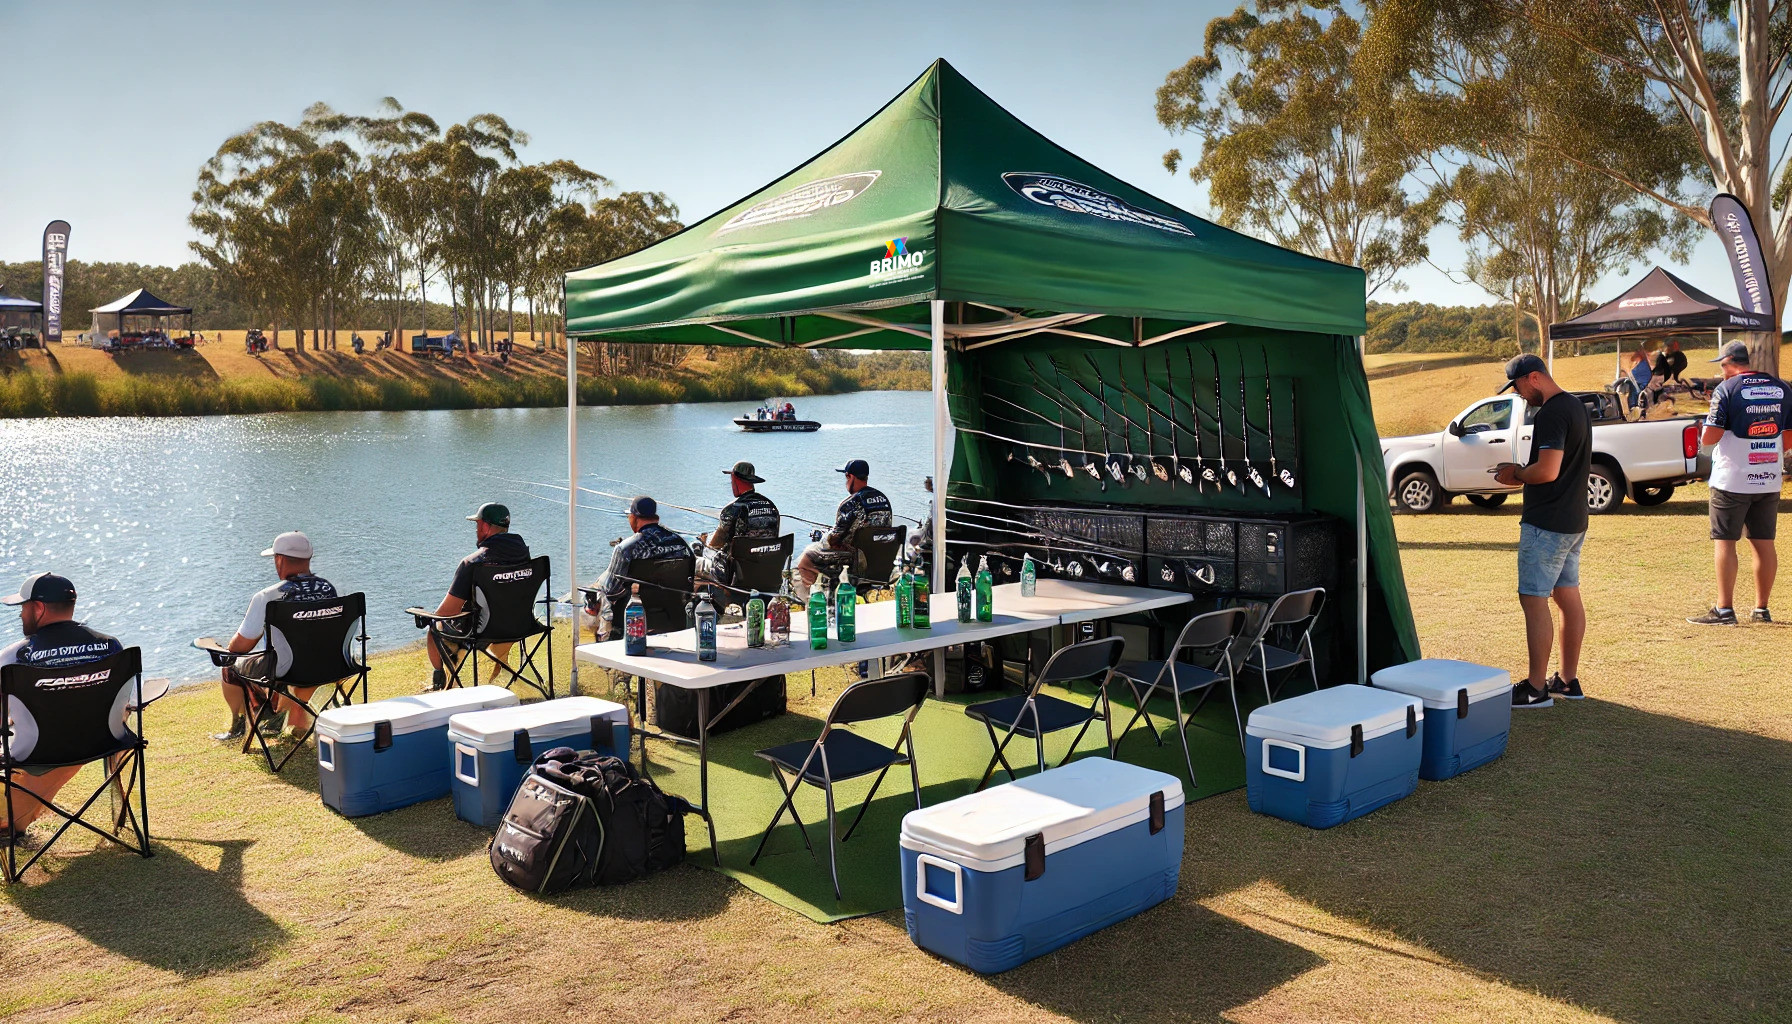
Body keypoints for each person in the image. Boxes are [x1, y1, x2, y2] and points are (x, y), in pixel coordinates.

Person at [1491, 354, 1591, 707]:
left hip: (1547, 522)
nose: (1518, 395)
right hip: (1573, 519)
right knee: (1566, 597)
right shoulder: (1575, 406)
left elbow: (1547, 471)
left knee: (1534, 600)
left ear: (1534, 378)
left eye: (1517, 386)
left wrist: (1514, 474)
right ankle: (1567, 680)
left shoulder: (1550, 412)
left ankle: (1535, 689)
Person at [0, 573, 126, 841]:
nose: (21, 614)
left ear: (39, 607)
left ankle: (11, 821)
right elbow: (122, 703)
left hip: (37, 754)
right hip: (104, 743)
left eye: (23, 607)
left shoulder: (13, 657)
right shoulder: (112, 646)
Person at [1688, 341, 1788, 625]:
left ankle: (1724, 610)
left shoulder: (1727, 389)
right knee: (1764, 543)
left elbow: (1710, 437)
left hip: (1731, 480)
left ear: (1730, 362)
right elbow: (1789, 439)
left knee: (1725, 542)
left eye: (1722, 365)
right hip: (1768, 479)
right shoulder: (1782, 388)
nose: (1722, 371)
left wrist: (1702, 432)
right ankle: (1761, 610)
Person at [213, 532, 338, 742]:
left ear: (279, 559)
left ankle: (239, 728)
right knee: (281, 661)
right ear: (308, 559)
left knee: (231, 664)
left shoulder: (268, 597)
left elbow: (241, 646)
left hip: (287, 671)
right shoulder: (328, 589)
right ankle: (275, 715)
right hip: (331, 666)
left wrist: (228, 649)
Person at [424, 503, 530, 689]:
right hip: (519, 626)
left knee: (434, 628)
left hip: (483, 633)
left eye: (477, 525)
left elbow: (446, 613)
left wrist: (427, 617)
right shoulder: (524, 555)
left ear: (485, 527)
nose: (476, 530)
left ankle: (440, 681)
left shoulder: (472, 563)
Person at [592, 496, 693, 638]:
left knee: (597, 592)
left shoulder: (626, 548)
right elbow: (688, 585)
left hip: (634, 616)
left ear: (634, 517)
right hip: (673, 615)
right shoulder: (681, 544)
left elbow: (611, 591)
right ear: (655, 517)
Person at [795, 459, 893, 599]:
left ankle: (810, 605)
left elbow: (833, 540)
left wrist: (824, 536)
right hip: (880, 561)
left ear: (850, 476)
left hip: (853, 563)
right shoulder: (883, 500)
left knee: (805, 559)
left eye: (846, 477)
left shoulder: (850, 503)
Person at [695, 462, 780, 591]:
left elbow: (714, 546)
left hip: (735, 574)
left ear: (734, 478)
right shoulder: (771, 507)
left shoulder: (732, 509)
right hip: (766, 570)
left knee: (693, 562)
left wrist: (704, 542)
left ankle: (694, 604)